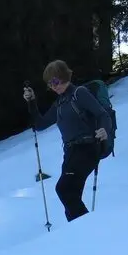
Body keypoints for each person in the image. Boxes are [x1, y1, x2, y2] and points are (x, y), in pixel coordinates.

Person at [23, 60, 112, 221]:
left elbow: (102, 114)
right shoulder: (59, 103)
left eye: (55, 81)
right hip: (70, 153)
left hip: (87, 148)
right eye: (50, 84)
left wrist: (104, 130)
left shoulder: (80, 93)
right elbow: (39, 124)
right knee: (71, 197)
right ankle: (78, 233)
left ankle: (87, 226)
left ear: (64, 76)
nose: (53, 86)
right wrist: (31, 102)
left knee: (64, 189)